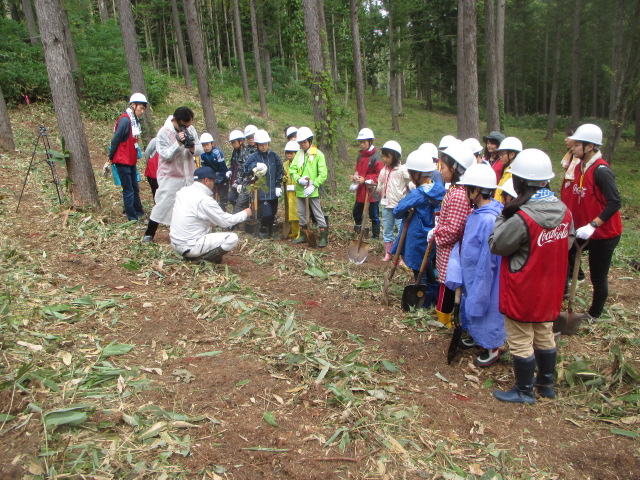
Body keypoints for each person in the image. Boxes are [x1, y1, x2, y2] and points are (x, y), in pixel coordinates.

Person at [489, 149, 574, 404]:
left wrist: (504, 215)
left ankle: (524, 390)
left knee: (520, 337)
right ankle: (546, 383)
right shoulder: (565, 212)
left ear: (520, 182)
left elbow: (497, 244)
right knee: (544, 331)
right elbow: (567, 243)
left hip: (523, 287)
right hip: (551, 287)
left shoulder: (522, 218)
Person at [567, 123, 623, 318]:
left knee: (598, 276)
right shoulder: (579, 167)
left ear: (590, 147)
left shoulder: (601, 171)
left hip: (605, 233)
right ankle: (567, 290)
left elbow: (615, 202)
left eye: (576, 145)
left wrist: (593, 225)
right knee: (567, 252)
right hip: (583, 229)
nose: (572, 148)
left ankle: (594, 314)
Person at [452, 163, 505, 367]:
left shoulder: (489, 219)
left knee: (486, 305)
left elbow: (488, 256)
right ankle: (476, 336)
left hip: (484, 272)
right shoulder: (477, 214)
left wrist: (481, 275)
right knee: (471, 303)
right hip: (471, 271)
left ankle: (492, 346)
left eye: (467, 189)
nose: (465, 193)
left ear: (477, 191)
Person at [428, 143, 475, 326]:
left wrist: (436, 234)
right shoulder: (455, 190)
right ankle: (444, 316)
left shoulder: (458, 195)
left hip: (451, 251)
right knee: (445, 281)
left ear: (455, 169)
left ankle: (445, 319)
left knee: (448, 283)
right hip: (448, 249)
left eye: (444, 167)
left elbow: (454, 229)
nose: (441, 170)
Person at [142, 106, 203, 242]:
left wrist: (192, 146)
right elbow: (165, 155)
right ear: (175, 120)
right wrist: (178, 144)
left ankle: (184, 233)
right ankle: (149, 233)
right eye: (183, 125)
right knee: (164, 203)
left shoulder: (191, 130)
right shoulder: (163, 133)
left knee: (187, 205)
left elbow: (200, 149)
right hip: (170, 175)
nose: (186, 128)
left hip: (188, 174)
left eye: (188, 126)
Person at [391, 150, 445, 300]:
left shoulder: (418, 194)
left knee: (419, 272)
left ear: (416, 174)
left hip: (417, 237)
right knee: (428, 267)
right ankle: (434, 296)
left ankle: (423, 300)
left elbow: (397, 211)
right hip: (432, 236)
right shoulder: (439, 189)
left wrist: (407, 208)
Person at [170, 167, 251, 263]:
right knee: (232, 238)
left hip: (175, 242)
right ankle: (203, 260)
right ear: (206, 180)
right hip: (189, 246)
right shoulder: (204, 200)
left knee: (211, 228)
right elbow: (226, 222)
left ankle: (199, 253)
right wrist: (245, 213)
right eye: (213, 180)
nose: (214, 184)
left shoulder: (183, 191)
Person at [108, 93, 147, 221]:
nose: (142, 111)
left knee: (135, 187)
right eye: (140, 108)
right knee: (128, 189)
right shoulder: (125, 120)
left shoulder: (134, 121)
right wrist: (111, 157)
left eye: (143, 109)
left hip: (130, 160)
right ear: (133, 105)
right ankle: (132, 217)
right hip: (122, 160)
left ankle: (139, 212)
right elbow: (116, 139)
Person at [289, 127, 329, 247]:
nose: (303, 145)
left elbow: (323, 174)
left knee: (317, 213)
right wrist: (298, 179)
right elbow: (293, 169)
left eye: (304, 142)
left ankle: (323, 237)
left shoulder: (318, 155)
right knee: (301, 213)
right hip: (301, 190)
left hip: (313, 190)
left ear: (310, 141)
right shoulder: (299, 154)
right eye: (300, 143)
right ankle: (303, 234)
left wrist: (314, 185)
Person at [242, 130, 284, 238]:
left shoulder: (274, 156)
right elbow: (245, 169)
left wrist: (278, 185)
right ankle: (262, 228)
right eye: (261, 145)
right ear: (257, 145)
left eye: (266, 144)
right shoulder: (254, 156)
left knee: (273, 212)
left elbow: (280, 170)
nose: (264, 147)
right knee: (266, 213)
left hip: (273, 189)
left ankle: (271, 231)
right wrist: (255, 165)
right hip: (261, 190)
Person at [376, 140, 411, 261]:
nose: (385, 159)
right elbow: (380, 185)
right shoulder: (383, 171)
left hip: (399, 206)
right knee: (387, 229)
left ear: (395, 156)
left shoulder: (402, 170)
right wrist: (374, 187)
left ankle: (402, 256)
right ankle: (388, 252)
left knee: (401, 230)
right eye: (384, 156)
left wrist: (407, 193)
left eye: (387, 156)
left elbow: (411, 182)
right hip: (386, 205)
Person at [351, 128, 383, 239]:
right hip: (361, 190)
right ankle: (360, 230)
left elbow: (379, 175)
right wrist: (355, 176)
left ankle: (375, 235)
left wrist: (365, 179)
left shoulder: (376, 157)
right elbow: (358, 170)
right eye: (360, 142)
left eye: (364, 142)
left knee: (373, 214)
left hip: (372, 191)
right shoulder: (360, 155)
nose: (362, 144)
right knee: (357, 212)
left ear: (370, 142)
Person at [198, 133, 229, 211]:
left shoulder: (217, 153)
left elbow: (222, 167)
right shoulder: (202, 155)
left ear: (212, 143)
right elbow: (205, 168)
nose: (206, 147)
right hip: (212, 177)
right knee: (213, 197)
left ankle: (223, 214)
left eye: (207, 144)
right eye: (204, 145)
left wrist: (219, 178)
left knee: (223, 198)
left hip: (222, 176)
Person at [227, 129, 251, 215]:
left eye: (234, 142)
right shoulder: (235, 152)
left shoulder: (246, 152)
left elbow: (244, 168)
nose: (233, 145)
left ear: (241, 141)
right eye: (232, 143)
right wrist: (230, 171)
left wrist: (241, 181)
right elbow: (233, 165)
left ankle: (243, 216)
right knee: (231, 197)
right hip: (235, 180)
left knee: (241, 201)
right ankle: (240, 214)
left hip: (243, 181)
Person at [282, 141, 301, 239]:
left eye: (291, 153)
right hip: (289, 192)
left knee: (298, 212)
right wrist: (283, 178)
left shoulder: (300, 164)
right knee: (291, 212)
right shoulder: (285, 164)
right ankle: (293, 231)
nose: (289, 154)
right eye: (287, 152)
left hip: (298, 191)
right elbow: (283, 175)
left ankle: (300, 232)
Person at [144, 137, 159, 201]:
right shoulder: (156, 140)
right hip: (154, 172)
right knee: (156, 192)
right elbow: (147, 153)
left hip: (165, 174)